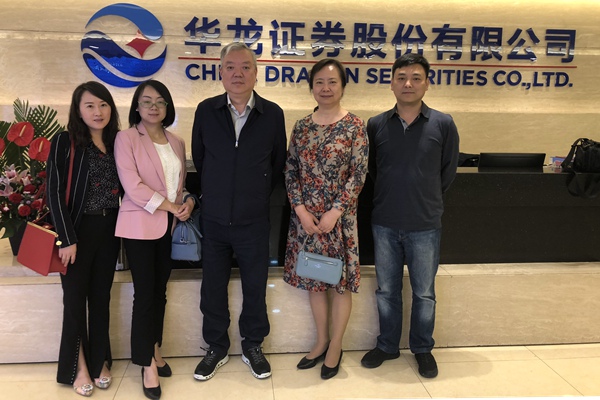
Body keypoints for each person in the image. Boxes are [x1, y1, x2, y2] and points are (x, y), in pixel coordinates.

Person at [191, 42, 287, 381]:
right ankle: (216, 347)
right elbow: (200, 159)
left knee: (255, 287)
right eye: (230, 66)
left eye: (245, 66)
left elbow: (277, 164)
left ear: (256, 73)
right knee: (212, 289)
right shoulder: (206, 111)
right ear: (220, 72)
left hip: (253, 220)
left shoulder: (272, 114)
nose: (238, 73)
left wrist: (254, 196)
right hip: (214, 219)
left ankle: (253, 345)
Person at [360, 53, 460, 378]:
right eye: (401, 77)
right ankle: (387, 345)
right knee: (386, 291)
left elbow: (447, 172)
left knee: (424, 294)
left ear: (427, 84)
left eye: (416, 78)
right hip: (385, 222)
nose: (408, 83)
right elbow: (373, 171)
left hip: (424, 224)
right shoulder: (376, 125)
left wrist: (423, 196)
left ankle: (422, 348)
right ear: (391, 83)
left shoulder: (443, 124)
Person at [283, 59, 368, 380]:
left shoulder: (355, 126)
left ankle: (336, 346)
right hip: (307, 222)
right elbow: (291, 170)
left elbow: (358, 174)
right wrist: (301, 211)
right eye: (319, 82)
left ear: (343, 86)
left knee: (339, 286)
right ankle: (320, 341)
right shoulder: (302, 126)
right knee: (315, 282)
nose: (326, 88)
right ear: (311, 87)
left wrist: (335, 211)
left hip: (339, 222)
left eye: (332, 82)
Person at [115, 80, 194, 400]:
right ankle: (146, 363)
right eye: (146, 101)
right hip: (138, 227)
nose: (153, 107)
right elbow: (133, 187)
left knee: (159, 293)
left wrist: (187, 202)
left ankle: (155, 348)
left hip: (168, 228)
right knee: (145, 295)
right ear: (137, 106)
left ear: (167, 107)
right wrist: (171, 206)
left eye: (160, 101)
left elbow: (179, 186)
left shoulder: (177, 142)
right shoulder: (126, 138)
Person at [46, 81, 121, 397]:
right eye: (90, 105)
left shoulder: (118, 142)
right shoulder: (65, 141)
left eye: (103, 105)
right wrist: (66, 238)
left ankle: (99, 359)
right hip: (77, 231)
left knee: (101, 299)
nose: (98, 111)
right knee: (75, 300)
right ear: (78, 110)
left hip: (110, 229)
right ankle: (77, 368)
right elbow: (53, 191)